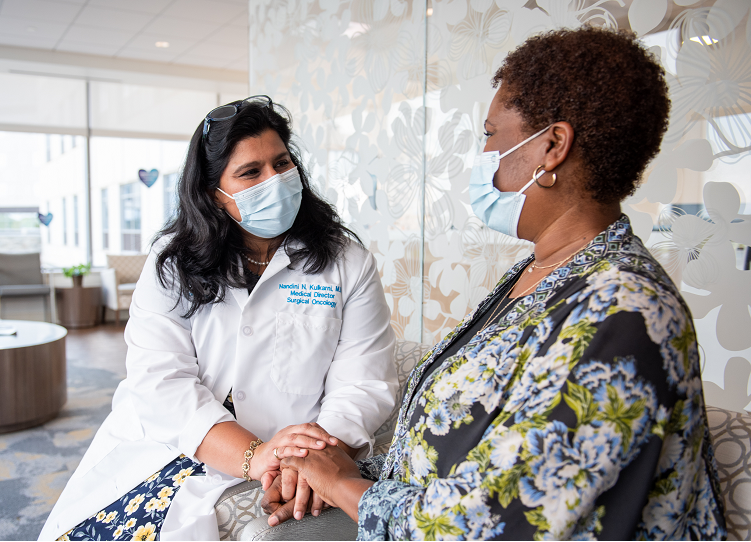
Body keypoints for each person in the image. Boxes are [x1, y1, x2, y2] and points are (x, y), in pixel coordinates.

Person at [264, 27, 726, 540]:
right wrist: (325, 474)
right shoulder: (541, 274)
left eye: (490, 134)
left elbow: (502, 524)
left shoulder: (626, 312)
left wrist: (346, 484)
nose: (483, 153)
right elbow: (460, 455)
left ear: (552, 146)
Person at [39, 96, 398, 541]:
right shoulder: (172, 263)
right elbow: (160, 379)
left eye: (282, 163)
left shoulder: (346, 262)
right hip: (181, 440)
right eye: (251, 172)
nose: (276, 180)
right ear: (215, 195)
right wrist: (254, 456)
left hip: (302, 444)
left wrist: (314, 460)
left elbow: (364, 380)